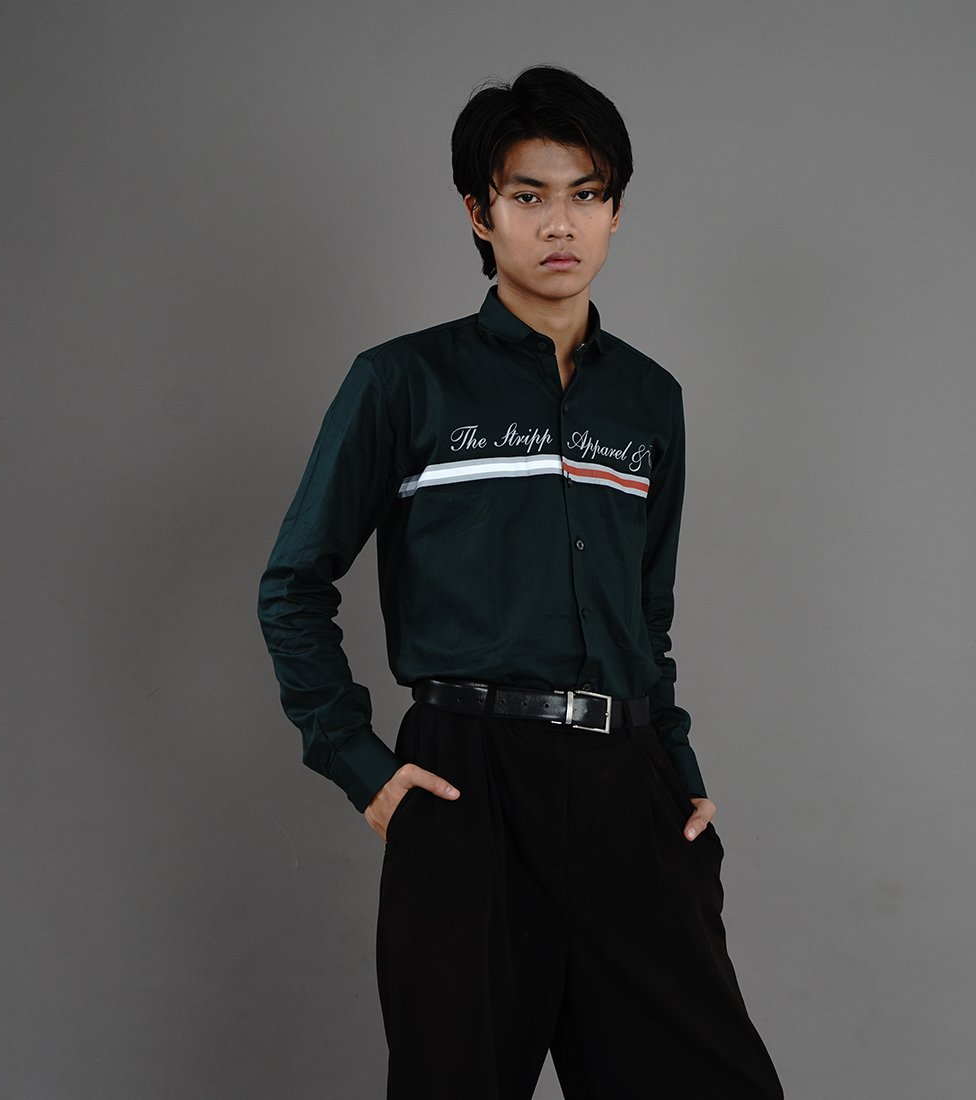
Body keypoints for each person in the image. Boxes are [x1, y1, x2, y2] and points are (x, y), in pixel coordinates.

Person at [258, 64, 784, 1100]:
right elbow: (293, 584)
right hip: (469, 786)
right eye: (528, 195)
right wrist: (359, 762)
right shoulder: (402, 382)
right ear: (479, 212)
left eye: (586, 194)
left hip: (629, 788)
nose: (560, 223)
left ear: (616, 211)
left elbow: (647, 614)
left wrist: (676, 769)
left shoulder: (650, 400)